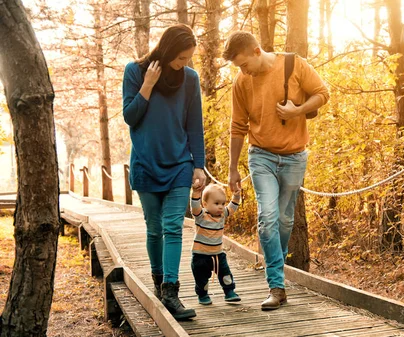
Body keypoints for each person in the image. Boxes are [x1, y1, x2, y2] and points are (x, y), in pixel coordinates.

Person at [222, 31, 330, 311]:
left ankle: (276, 267)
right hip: (261, 156)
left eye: (244, 64)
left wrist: (298, 111)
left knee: (283, 220)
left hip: (295, 157)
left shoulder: (294, 65)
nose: (243, 71)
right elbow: (237, 127)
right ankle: (276, 286)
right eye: (238, 67)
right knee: (267, 217)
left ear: (257, 51)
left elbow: (322, 93)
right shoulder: (241, 82)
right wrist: (233, 168)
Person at [122, 24, 205, 320]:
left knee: (173, 226)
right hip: (146, 164)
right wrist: (148, 84)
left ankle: (171, 291)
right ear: (168, 50)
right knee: (154, 228)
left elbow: (195, 124)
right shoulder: (134, 71)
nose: (185, 64)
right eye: (181, 58)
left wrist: (198, 164)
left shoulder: (190, 79)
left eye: (189, 59)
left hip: (179, 165)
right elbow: (130, 116)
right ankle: (158, 280)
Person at [190, 183, 242, 305]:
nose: (220, 207)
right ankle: (203, 295)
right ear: (205, 204)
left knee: (225, 274)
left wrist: (236, 195)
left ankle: (229, 292)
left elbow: (233, 207)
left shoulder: (223, 214)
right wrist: (196, 194)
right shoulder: (201, 216)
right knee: (201, 279)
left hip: (218, 255)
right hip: (200, 255)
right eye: (217, 203)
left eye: (223, 203)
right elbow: (195, 207)